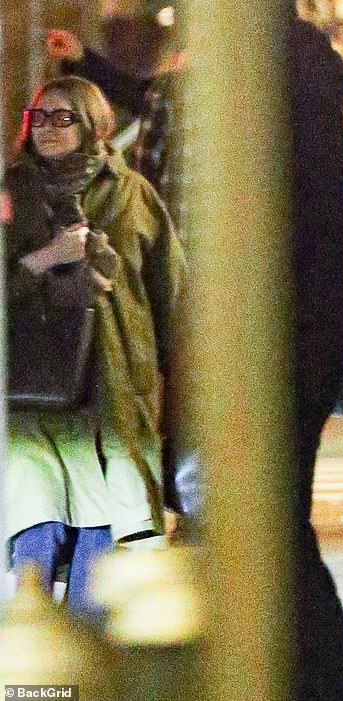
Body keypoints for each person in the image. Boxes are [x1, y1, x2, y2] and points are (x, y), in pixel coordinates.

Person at [3, 75, 185, 618]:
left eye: (66, 117)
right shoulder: (10, 195)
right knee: (35, 533)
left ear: (95, 126)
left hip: (114, 394)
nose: (50, 127)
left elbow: (172, 297)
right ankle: (35, 680)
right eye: (41, 115)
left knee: (102, 554)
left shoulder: (132, 195)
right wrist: (46, 258)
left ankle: (83, 679)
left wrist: (178, 392)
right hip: (28, 400)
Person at [289, 15, 343, 701]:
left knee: (276, 524)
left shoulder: (294, 63)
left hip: (293, 337)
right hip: (308, 333)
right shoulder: (308, 64)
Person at [46, 16, 183, 233]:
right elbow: (134, 93)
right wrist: (81, 59)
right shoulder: (169, 92)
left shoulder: (171, 91)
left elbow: (147, 170)